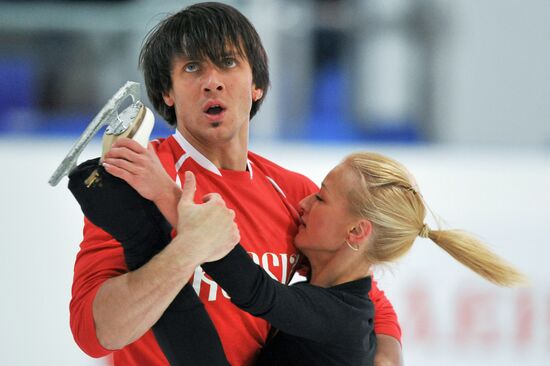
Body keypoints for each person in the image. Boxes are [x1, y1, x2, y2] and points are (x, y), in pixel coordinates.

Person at [69, 2, 402, 365]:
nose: (212, 81)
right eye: (192, 67)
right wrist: (187, 251)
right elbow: (95, 333)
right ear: (168, 92)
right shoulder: (137, 177)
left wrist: (387, 356)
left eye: (228, 62)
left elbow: (363, 299)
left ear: (256, 85)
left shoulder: (296, 195)